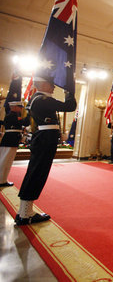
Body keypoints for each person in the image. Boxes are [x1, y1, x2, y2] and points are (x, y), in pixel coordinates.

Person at [15, 75, 76, 226]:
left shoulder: (35, 99)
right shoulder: (43, 99)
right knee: (37, 173)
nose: (53, 87)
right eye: (51, 84)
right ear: (42, 84)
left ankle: (24, 211)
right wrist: (69, 90)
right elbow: (69, 106)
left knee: (35, 172)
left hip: (42, 138)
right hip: (45, 139)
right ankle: (26, 214)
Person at [0, 101, 30, 187]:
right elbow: (25, 122)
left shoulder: (12, 115)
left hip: (10, 139)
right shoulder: (12, 116)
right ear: (14, 107)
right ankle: (1, 180)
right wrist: (29, 113)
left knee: (6, 160)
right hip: (10, 140)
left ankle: (3, 179)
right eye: (20, 107)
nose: (21, 109)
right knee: (5, 160)